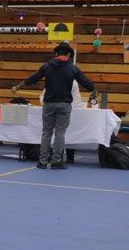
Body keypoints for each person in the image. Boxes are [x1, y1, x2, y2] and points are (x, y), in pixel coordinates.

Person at [11, 42, 98, 170]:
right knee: (60, 133)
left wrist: (18, 86)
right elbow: (86, 83)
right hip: (64, 105)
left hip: (49, 104)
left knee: (46, 133)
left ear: (56, 53)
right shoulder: (72, 69)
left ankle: (42, 161)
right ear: (69, 54)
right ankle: (56, 161)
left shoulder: (47, 66)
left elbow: (33, 78)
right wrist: (94, 91)